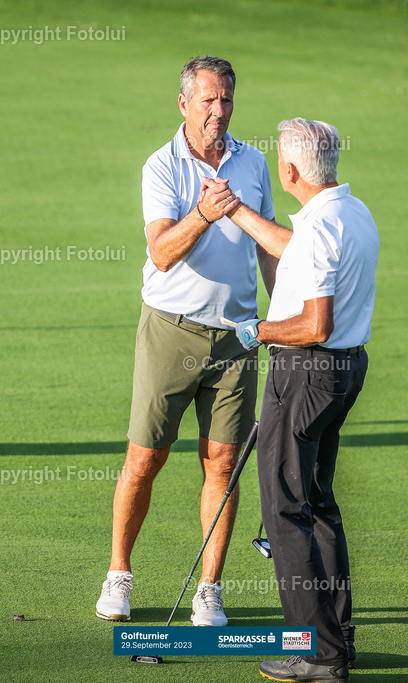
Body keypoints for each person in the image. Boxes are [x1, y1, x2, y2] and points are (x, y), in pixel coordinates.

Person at [94, 56, 277, 627]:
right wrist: (204, 212)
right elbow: (162, 252)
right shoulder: (161, 167)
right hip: (171, 331)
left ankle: (209, 589)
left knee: (222, 465)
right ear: (183, 104)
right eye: (207, 101)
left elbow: (268, 249)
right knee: (144, 460)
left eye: (226, 100)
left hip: (238, 338)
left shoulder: (254, 162)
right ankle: (119, 575)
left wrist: (288, 320)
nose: (218, 111)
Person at [214, 117, 378, 682]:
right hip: (345, 372)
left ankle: (317, 654)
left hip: (306, 373)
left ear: (288, 170)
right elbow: (299, 250)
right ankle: (340, 640)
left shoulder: (320, 229)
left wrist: (259, 330)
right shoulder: (350, 212)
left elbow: (312, 323)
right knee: (317, 501)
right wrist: (237, 210)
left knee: (284, 508)